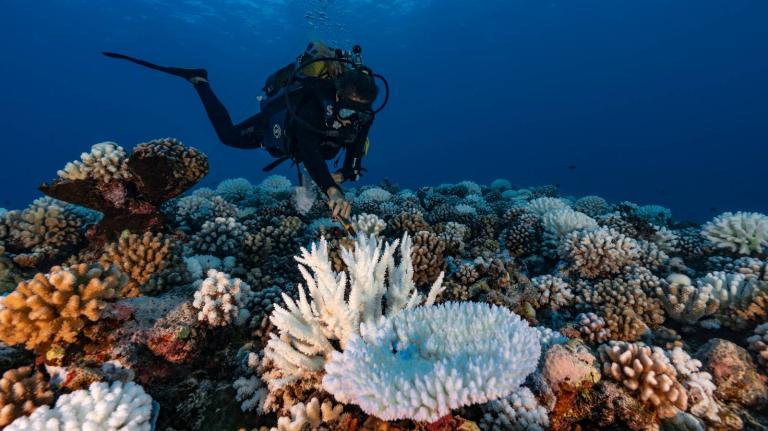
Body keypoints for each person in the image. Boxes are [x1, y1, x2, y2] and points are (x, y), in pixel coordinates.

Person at [103, 42, 384, 221]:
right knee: (228, 136)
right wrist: (332, 190)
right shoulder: (312, 104)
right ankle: (199, 80)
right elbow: (309, 150)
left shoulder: (363, 116)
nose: (352, 120)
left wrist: (341, 176)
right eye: (348, 111)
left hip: (316, 150)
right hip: (280, 130)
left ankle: (312, 191)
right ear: (336, 97)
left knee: (327, 162)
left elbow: (355, 160)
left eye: (360, 113)